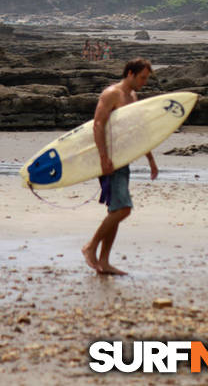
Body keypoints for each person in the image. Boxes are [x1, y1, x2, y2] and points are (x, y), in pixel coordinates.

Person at [82, 58, 158, 275]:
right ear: (130, 74)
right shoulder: (111, 94)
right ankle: (90, 247)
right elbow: (98, 124)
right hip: (110, 160)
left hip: (123, 159)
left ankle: (104, 262)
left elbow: (137, 131)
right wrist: (103, 157)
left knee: (115, 209)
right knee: (123, 208)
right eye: (142, 78)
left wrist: (150, 159)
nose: (144, 82)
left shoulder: (133, 97)